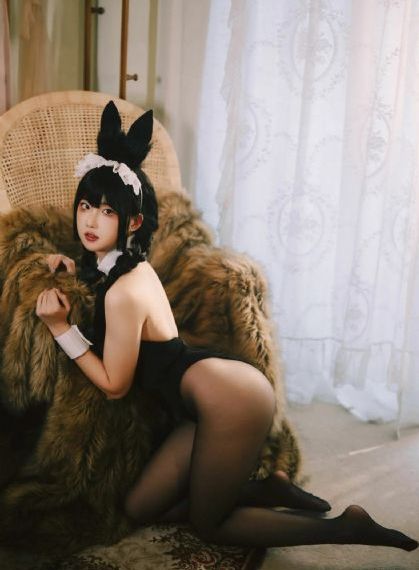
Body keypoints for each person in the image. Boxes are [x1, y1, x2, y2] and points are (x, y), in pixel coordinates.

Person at [35, 101, 418, 552]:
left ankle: (345, 527)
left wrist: (60, 328)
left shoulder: (124, 290)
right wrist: (68, 265)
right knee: (139, 508)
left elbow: (114, 385)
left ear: (133, 221)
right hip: (201, 403)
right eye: (85, 206)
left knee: (211, 525)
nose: (90, 220)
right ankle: (267, 489)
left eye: (107, 211)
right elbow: (97, 278)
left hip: (234, 399)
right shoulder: (123, 266)